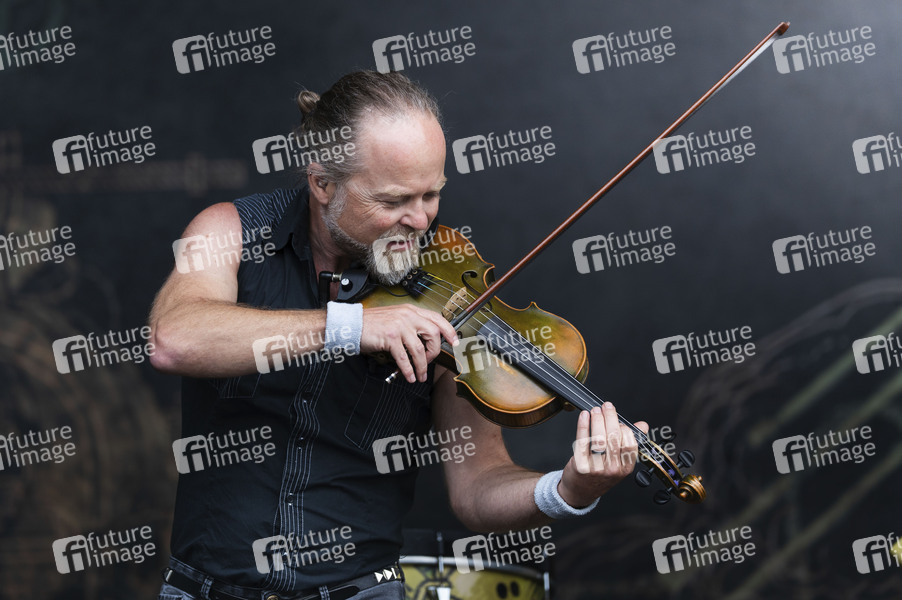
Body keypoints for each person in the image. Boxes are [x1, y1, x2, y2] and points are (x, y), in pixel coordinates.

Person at [149, 70, 646, 600]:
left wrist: (567, 489)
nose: (420, 220)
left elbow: (478, 487)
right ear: (323, 184)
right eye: (392, 201)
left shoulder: (451, 291)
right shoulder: (229, 231)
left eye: (432, 194)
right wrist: (351, 326)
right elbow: (174, 339)